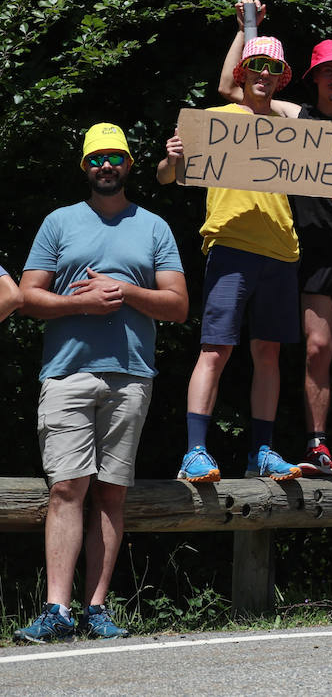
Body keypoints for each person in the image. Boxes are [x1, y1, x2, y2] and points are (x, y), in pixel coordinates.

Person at [15, 124, 188, 643]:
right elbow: (27, 297)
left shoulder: (154, 226)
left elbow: (178, 306)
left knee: (111, 493)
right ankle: (57, 610)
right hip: (66, 373)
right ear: (84, 167)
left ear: (130, 164)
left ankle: (96, 609)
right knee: (67, 488)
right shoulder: (59, 222)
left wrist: (125, 290)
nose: (105, 165)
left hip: (131, 376)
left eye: (115, 156)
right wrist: (81, 304)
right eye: (96, 158)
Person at [216, 0, 332, 486]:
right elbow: (230, 88)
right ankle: (318, 444)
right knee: (317, 348)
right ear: (313, 78)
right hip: (313, 245)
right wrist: (247, 29)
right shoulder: (294, 115)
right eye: (327, 72)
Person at [158, 14, 302, 482]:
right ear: (243, 73)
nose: (264, 75)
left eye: (273, 69)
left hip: (282, 251)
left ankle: (262, 452)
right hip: (231, 245)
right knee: (215, 350)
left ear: (283, 77)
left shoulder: (294, 127)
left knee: (269, 355)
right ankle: (195, 452)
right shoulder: (217, 121)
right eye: (255, 66)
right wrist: (172, 158)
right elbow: (167, 177)